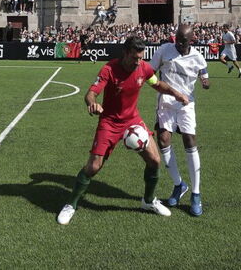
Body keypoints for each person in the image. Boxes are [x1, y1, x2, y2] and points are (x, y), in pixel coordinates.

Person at [57, 35, 190, 226]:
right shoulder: (109, 69)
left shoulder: (143, 68)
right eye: (134, 58)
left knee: (155, 160)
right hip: (109, 123)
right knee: (93, 167)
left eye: (141, 58)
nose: (138, 62)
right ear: (125, 53)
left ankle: (148, 201)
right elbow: (91, 94)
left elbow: (157, 84)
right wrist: (93, 104)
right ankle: (71, 204)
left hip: (133, 121)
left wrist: (177, 94)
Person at [150, 24, 210, 216]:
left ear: (191, 40)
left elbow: (205, 76)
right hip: (166, 102)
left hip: (186, 104)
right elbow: (149, 71)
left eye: (183, 41)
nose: (179, 43)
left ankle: (196, 193)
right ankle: (179, 184)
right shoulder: (164, 50)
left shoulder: (198, 58)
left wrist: (205, 82)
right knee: (163, 139)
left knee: (189, 140)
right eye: (177, 38)